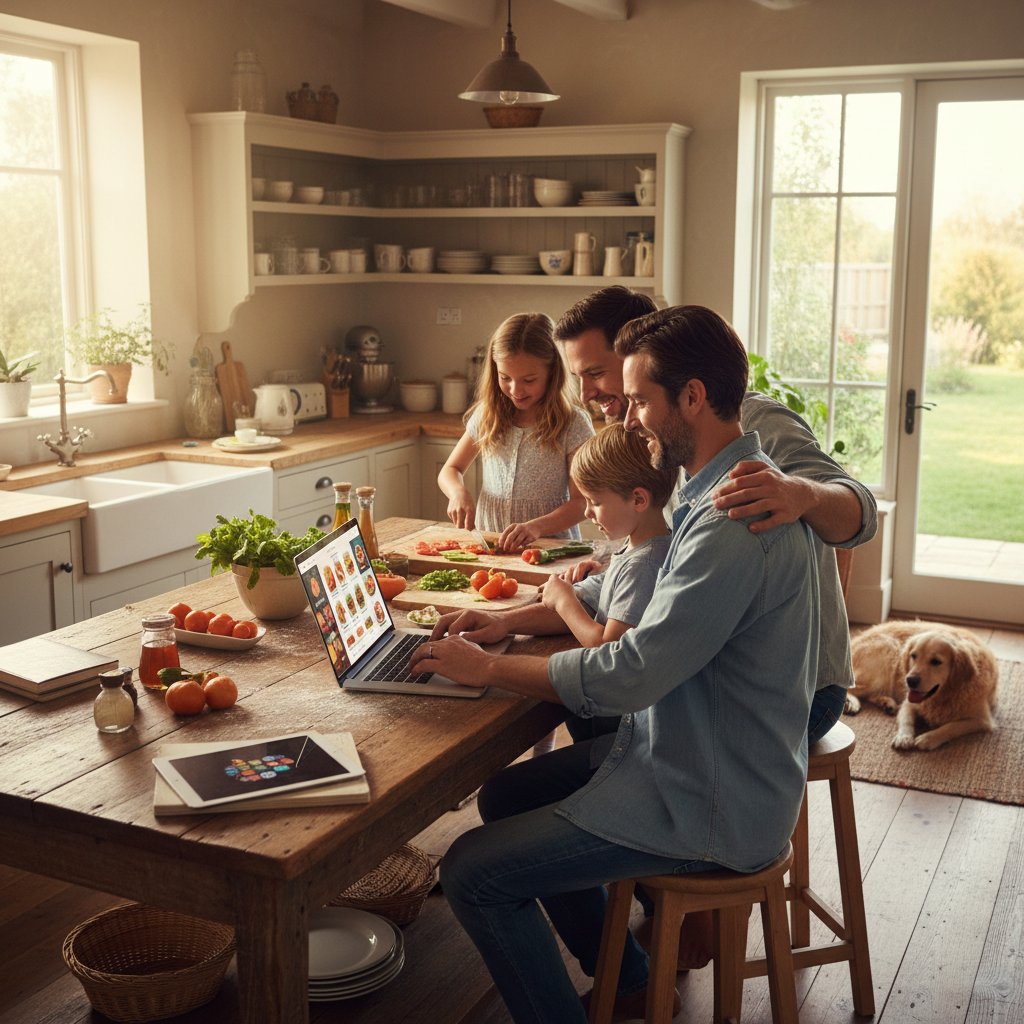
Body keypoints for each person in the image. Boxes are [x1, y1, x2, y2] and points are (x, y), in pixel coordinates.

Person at [411, 305, 821, 1023]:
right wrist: (505, 620)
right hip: (690, 755)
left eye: (638, 401)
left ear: (692, 397)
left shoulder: (732, 519)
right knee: (507, 798)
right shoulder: (706, 491)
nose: (626, 419)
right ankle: (630, 980)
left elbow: (630, 672)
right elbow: (615, 587)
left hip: (711, 797)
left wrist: (489, 668)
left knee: (470, 871)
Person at [554, 286, 877, 966]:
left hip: (793, 684)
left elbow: (860, 512)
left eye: (596, 374)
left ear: (641, 359)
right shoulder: (642, 428)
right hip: (711, 660)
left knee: (612, 707)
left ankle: (684, 912)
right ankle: (644, 908)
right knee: (605, 715)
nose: (588, 393)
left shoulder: (755, 426)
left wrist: (802, 493)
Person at [438, 312, 595, 554]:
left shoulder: (573, 423)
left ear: (553, 373)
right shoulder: (487, 414)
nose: (515, 389)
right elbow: (451, 470)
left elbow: (582, 501)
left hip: (549, 551)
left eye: (529, 380)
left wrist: (536, 527)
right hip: (491, 546)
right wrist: (457, 493)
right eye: (505, 378)